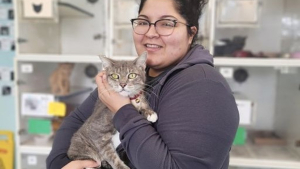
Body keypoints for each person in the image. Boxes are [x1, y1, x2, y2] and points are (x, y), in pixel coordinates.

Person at [46, 0, 239, 168]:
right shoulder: (131, 75)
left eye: (166, 23)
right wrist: (61, 165)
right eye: (143, 22)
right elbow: (77, 120)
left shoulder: (203, 85)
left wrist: (123, 110)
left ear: (190, 33)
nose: (150, 33)